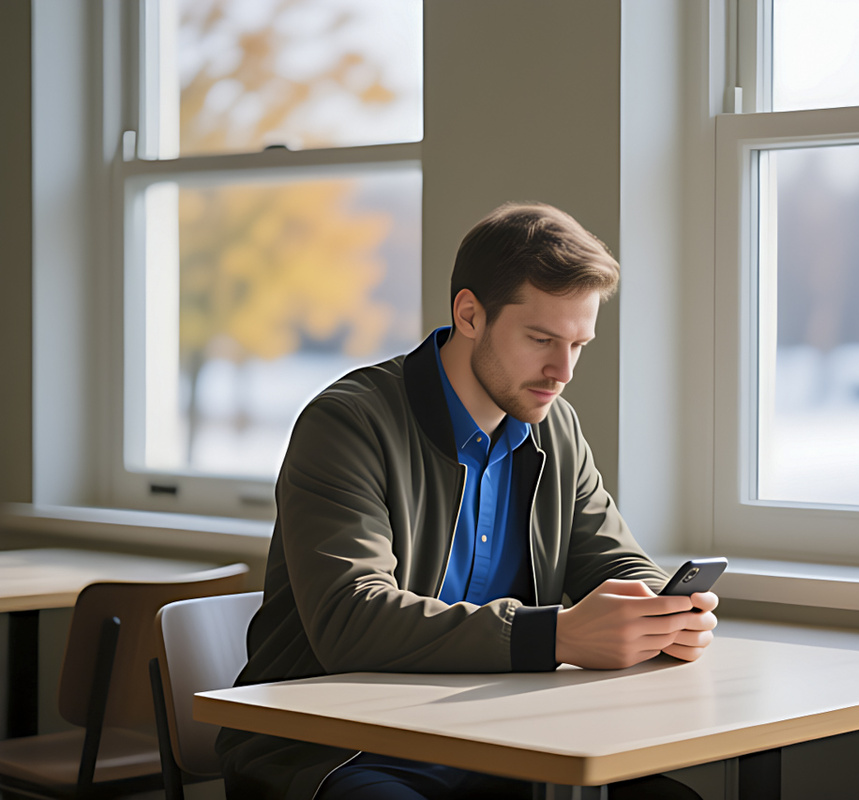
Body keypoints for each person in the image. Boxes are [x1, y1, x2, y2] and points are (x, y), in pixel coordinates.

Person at [216, 202, 719, 800]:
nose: (562, 371)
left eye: (578, 344)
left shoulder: (554, 427)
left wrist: (661, 614)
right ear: (470, 314)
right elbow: (350, 619)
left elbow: (612, 562)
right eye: (541, 339)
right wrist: (555, 635)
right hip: (344, 749)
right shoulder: (347, 423)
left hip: (503, 739)